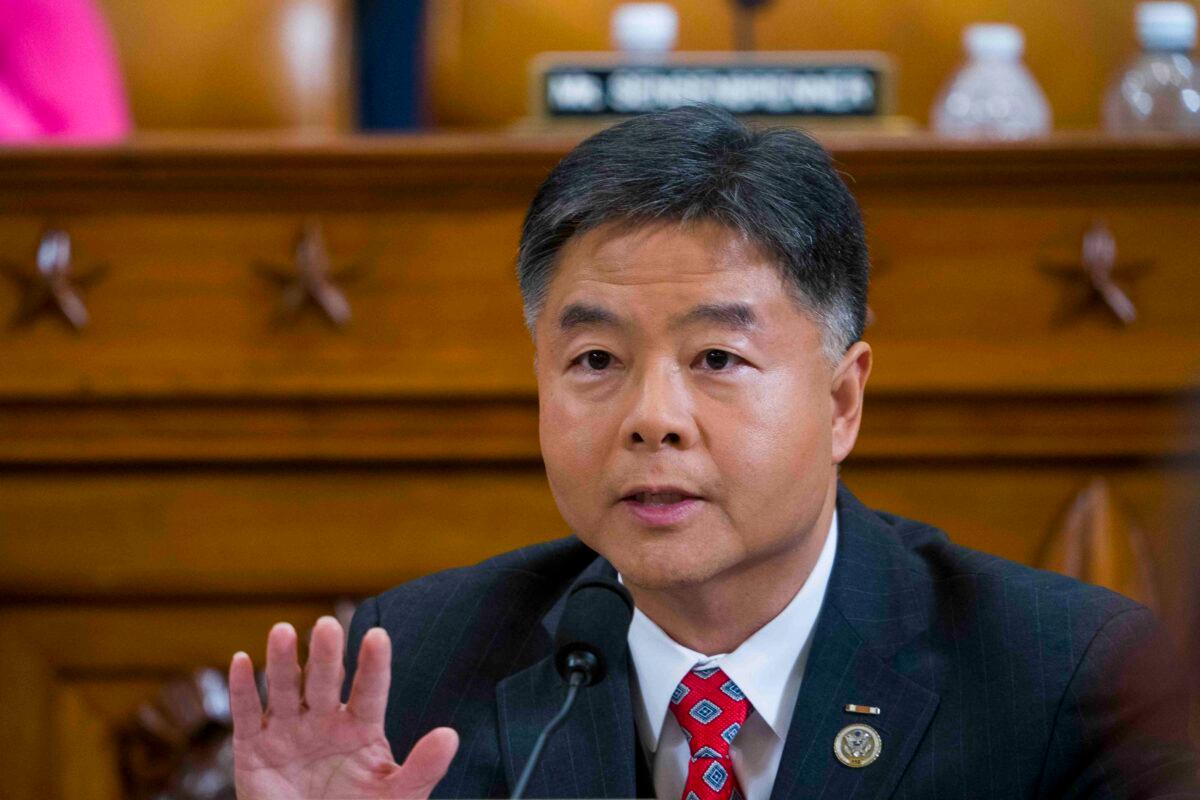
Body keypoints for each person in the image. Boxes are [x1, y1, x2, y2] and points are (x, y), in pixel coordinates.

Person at [227, 105, 1200, 799]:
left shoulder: (1059, 678)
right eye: (596, 357)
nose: (653, 417)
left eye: (718, 357)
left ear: (842, 397)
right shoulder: (415, 668)